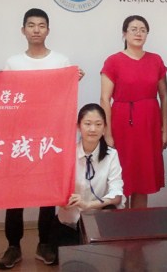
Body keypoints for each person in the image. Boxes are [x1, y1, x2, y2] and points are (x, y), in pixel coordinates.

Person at [0, 8, 84, 268]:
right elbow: (6, 98)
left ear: (48, 30)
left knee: (48, 193)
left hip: (50, 137)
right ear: (23, 30)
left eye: (41, 25)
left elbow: (64, 96)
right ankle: (13, 246)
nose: (36, 30)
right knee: (15, 194)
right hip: (20, 137)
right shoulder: (13, 63)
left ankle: (44, 243)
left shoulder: (60, 61)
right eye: (31, 25)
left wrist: (74, 79)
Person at [100, 15, 167, 209]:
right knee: (121, 177)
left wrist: (165, 130)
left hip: (149, 124)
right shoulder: (113, 61)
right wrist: (107, 133)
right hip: (122, 124)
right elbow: (104, 99)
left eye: (143, 30)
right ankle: (121, 224)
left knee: (143, 179)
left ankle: (140, 222)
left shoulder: (155, 60)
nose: (138, 33)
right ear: (124, 33)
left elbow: (164, 97)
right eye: (134, 29)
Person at [48, 104, 124, 264]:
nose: (92, 129)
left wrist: (89, 205)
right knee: (72, 263)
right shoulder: (67, 153)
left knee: (101, 263)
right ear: (78, 127)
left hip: (99, 221)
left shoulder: (111, 155)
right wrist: (60, 200)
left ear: (104, 128)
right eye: (87, 123)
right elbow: (54, 187)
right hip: (69, 220)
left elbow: (116, 195)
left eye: (98, 124)